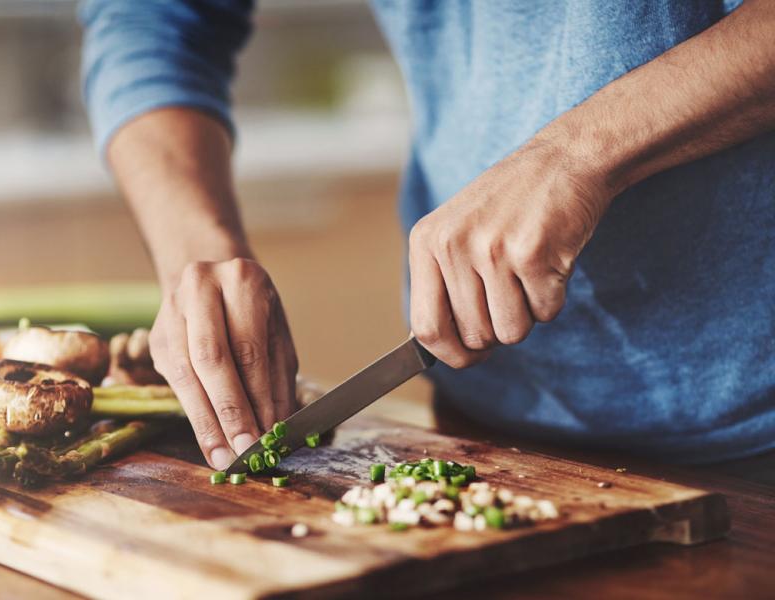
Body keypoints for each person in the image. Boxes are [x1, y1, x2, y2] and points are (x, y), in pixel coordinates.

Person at [80, 0, 775, 470]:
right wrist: (195, 249)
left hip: (755, 423)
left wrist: (578, 155)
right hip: (491, 417)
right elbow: (149, 19)